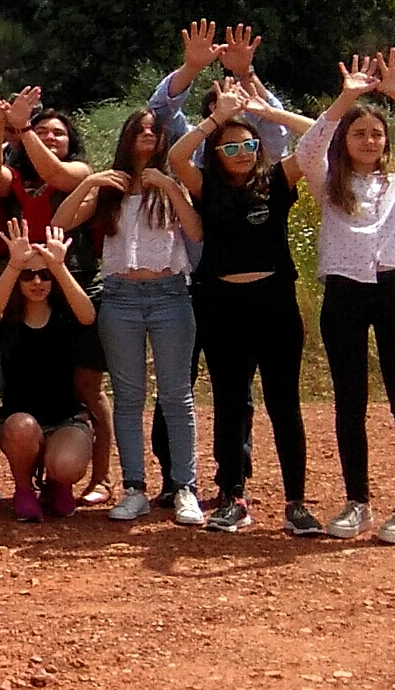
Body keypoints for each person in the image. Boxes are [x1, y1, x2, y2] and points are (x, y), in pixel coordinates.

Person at [297, 49, 395, 545]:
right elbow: (306, 150)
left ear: (386, 142)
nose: (368, 140)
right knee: (350, 401)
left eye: (376, 134)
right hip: (343, 292)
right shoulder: (328, 183)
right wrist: (344, 101)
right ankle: (357, 502)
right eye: (359, 133)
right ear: (347, 141)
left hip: (393, 290)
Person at [169, 77, 321, 536]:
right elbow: (177, 157)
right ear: (215, 154)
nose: (242, 153)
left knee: (283, 402)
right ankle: (233, 496)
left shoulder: (277, 180)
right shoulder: (206, 187)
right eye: (230, 147)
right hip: (220, 303)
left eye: (248, 144)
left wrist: (266, 112)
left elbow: (318, 137)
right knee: (231, 402)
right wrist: (218, 118)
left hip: (274, 301)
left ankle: (296, 502)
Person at [54, 109, 204, 526]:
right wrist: (90, 181)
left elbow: (195, 233)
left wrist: (171, 188)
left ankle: (184, 488)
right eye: (139, 130)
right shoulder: (110, 189)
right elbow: (60, 223)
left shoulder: (171, 184)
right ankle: (134, 487)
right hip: (119, 297)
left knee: (177, 395)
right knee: (129, 395)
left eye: (155, 131)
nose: (147, 136)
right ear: (127, 137)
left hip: (171, 293)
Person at [0, 84, 110, 506]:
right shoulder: (13, 180)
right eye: (43, 131)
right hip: (15, 279)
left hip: (74, 280)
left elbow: (53, 174)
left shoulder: (81, 173)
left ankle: (98, 478)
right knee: (19, 372)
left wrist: (24, 127)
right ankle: (29, 476)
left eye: (58, 133)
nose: (51, 137)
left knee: (86, 386)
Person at [0, 221, 97, 522]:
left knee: (67, 464)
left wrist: (58, 266)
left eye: (43, 275)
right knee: (22, 427)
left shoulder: (65, 313)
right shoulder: (8, 319)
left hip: (65, 419)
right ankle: (23, 490)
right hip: (20, 422)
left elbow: (88, 314)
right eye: (28, 275)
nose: (37, 281)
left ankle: (56, 484)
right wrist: (13, 265)